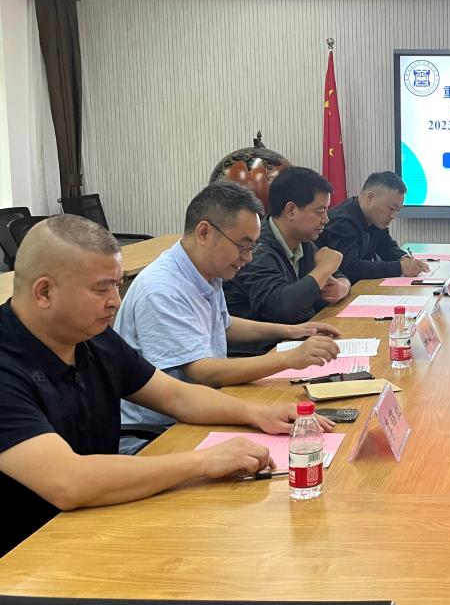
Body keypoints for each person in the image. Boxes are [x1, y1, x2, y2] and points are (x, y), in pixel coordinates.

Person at [0, 216, 333, 556]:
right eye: (101, 289)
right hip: (26, 554)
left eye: (117, 286)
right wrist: (203, 462)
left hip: (93, 520)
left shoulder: (92, 338)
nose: (115, 301)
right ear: (44, 292)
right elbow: (67, 482)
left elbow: (176, 396)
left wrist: (258, 413)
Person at [117, 182, 342, 452]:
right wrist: (289, 359)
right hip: (161, 434)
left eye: (252, 247)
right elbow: (202, 372)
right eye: (243, 246)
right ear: (204, 232)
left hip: (204, 408)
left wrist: (289, 331)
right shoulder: (162, 289)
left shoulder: (205, 270)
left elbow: (224, 325)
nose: (248, 258)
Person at [224, 166, 351, 325]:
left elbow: (338, 275)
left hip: (299, 334)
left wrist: (342, 287)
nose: (326, 219)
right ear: (290, 211)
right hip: (267, 340)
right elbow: (279, 308)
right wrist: (323, 270)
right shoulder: (255, 249)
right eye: (320, 211)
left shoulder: (303, 242)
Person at [316, 171, 430, 284]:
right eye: (391, 208)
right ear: (370, 197)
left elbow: (387, 246)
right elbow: (350, 267)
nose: (393, 216)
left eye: (397, 210)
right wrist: (399, 267)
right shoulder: (343, 222)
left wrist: (403, 258)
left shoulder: (374, 218)